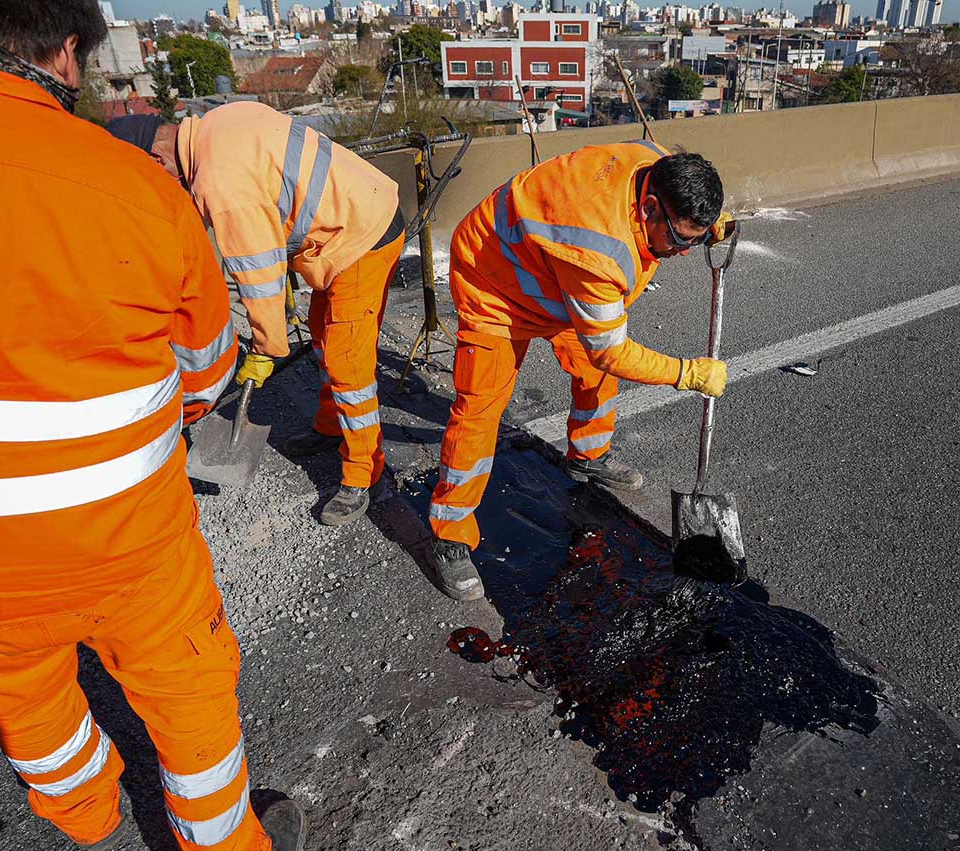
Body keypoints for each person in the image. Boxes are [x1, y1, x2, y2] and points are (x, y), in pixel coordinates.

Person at [0, 3, 304, 851]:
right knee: (187, 691)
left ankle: (86, 816)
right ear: (61, 49)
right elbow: (203, 371)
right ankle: (220, 841)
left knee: (20, 696)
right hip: (124, 545)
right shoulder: (127, 183)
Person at [427, 142, 732, 600]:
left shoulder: (655, 164)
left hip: (553, 275)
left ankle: (587, 456)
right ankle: (449, 535)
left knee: (593, 374)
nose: (686, 252)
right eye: (681, 239)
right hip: (494, 281)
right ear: (648, 207)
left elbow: (601, 354)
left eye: (695, 239)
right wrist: (687, 373)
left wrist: (706, 230)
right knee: (480, 409)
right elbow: (611, 351)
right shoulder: (599, 250)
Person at [109, 104, 405, 525]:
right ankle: (330, 425)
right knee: (323, 333)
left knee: (347, 364)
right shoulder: (218, 124)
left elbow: (260, 274)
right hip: (356, 212)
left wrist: (266, 347)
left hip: (361, 235)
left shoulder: (219, 182)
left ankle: (363, 475)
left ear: (156, 159)